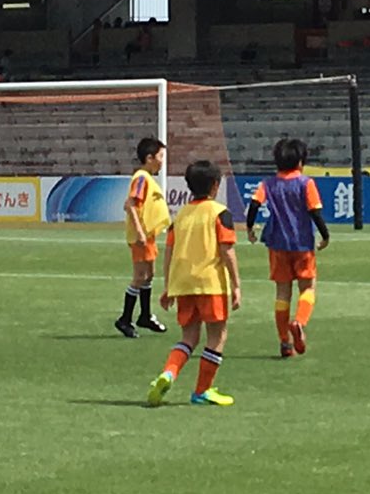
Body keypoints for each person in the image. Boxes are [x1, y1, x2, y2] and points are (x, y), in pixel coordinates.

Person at [146, 159, 241, 408]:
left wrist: (168, 286)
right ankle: (202, 390)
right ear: (215, 185)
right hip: (210, 283)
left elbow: (169, 252)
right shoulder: (220, 213)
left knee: (189, 337)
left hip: (183, 284)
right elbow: (227, 250)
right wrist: (236, 285)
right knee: (217, 335)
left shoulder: (180, 216)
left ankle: (169, 373)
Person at [247, 137, 330, 357]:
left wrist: (250, 228)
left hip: (277, 243)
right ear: (301, 162)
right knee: (308, 288)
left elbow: (254, 204)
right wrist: (325, 235)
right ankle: (299, 322)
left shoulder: (268, 184)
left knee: (282, 293)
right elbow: (315, 212)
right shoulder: (306, 183)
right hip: (302, 243)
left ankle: (285, 342)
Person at [116, 137, 170, 338]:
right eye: (160, 156)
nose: (162, 161)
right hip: (142, 236)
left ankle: (145, 315)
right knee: (140, 276)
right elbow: (130, 204)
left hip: (148, 236)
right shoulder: (141, 178)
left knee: (149, 274)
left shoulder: (147, 178)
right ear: (149, 158)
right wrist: (139, 231)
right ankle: (125, 319)